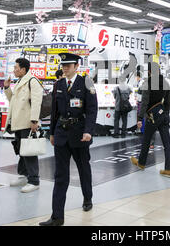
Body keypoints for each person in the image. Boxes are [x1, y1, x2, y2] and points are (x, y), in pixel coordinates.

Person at [40, 53, 98, 226]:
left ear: (76, 66)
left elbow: (92, 109)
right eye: (63, 65)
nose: (65, 68)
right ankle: (57, 216)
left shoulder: (86, 82)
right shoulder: (58, 84)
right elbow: (54, 113)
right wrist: (51, 133)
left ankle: (87, 197)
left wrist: (89, 131)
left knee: (83, 169)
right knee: (60, 175)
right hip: (61, 135)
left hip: (80, 134)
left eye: (69, 65)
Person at [4, 58, 43, 193]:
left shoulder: (32, 81)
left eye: (16, 68)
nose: (14, 70)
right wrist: (7, 88)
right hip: (18, 122)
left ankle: (34, 180)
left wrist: (34, 121)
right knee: (21, 150)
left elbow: (37, 102)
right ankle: (23, 175)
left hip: (27, 123)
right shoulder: (20, 82)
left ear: (23, 69)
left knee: (29, 152)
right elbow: (13, 102)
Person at [131, 63, 170, 177]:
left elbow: (144, 102)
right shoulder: (166, 83)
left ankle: (141, 163)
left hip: (152, 116)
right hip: (163, 115)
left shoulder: (147, 83)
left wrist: (140, 118)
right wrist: (166, 114)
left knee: (146, 140)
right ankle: (168, 169)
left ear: (149, 72)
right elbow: (168, 102)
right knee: (167, 143)